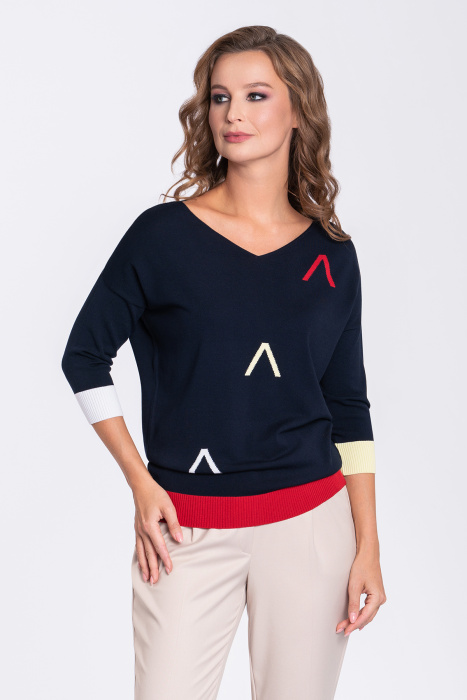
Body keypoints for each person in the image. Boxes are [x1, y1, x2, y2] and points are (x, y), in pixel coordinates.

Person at [61, 25, 386, 700]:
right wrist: (140, 483)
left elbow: (348, 406)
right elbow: (84, 356)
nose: (233, 113)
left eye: (256, 95)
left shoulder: (331, 255)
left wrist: (368, 546)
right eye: (219, 96)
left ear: (297, 110)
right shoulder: (162, 237)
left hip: (311, 526)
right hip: (185, 528)